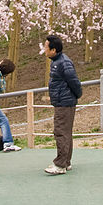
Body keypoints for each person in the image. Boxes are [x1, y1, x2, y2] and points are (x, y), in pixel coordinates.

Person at [43, 35, 81, 175]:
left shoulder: (63, 63)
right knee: (65, 132)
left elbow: (74, 81)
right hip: (63, 101)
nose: (44, 50)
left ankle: (60, 165)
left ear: (53, 50)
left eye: (46, 47)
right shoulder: (57, 62)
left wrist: (76, 95)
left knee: (60, 132)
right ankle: (66, 162)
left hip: (65, 103)